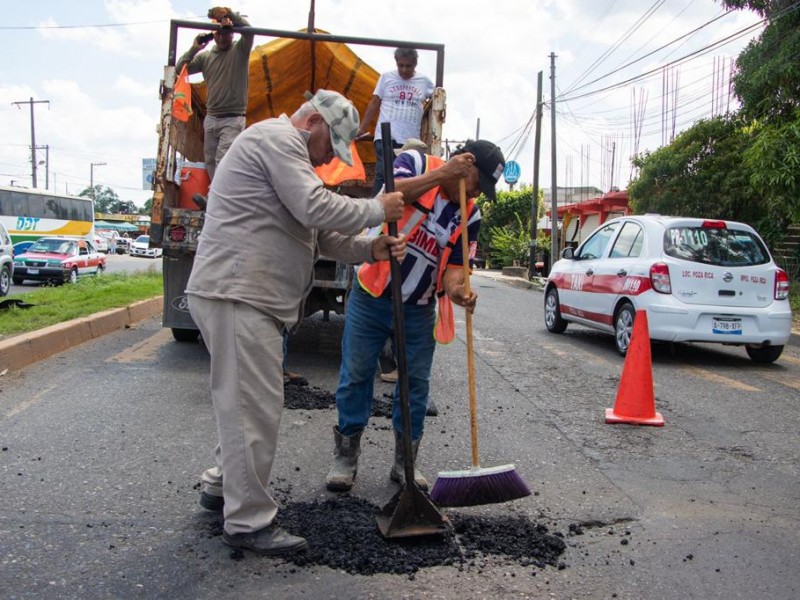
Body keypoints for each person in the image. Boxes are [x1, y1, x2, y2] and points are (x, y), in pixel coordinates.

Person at [186, 89, 406, 556]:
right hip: (238, 293)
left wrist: (370, 248)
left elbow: (320, 235)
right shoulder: (276, 139)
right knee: (255, 408)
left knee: (241, 401)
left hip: (241, 295)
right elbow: (315, 208)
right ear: (315, 124)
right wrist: (376, 209)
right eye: (332, 148)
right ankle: (248, 521)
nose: (330, 160)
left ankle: (221, 484)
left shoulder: (288, 159)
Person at [325, 139, 505, 493]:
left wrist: (459, 291)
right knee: (357, 374)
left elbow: (455, 269)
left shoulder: (471, 215)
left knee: (416, 385)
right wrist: (442, 173)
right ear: (465, 166)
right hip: (373, 293)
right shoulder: (417, 162)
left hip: (420, 307)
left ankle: (405, 462)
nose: (476, 195)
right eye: (477, 185)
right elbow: (389, 197)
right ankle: (346, 455)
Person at [176, 6, 254, 181]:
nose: (221, 35)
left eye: (225, 32)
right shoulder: (205, 57)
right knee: (211, 161)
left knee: (223, 160)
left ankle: (218, 199)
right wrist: (194, 48)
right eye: (217, 32)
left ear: (232, 33)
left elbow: (249, 32)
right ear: (212, 35)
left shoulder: (239, 50)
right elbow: (180, 69)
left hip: (233, 118)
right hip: (212, 118)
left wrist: (230, 15)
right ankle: (217, 195)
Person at [355, 48, 434, 196]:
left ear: (415, 64)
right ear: (396, 63)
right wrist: (362, 127)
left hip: (410, 139)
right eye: (401, 65)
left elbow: (438, 100)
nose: (404, 70)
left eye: (408, 66)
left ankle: (401, 212)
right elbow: (374, 102)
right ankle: (377, 212)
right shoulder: (386, 78)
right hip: (385, 135)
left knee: (406, 175)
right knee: (383, 174)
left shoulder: (425, 82)